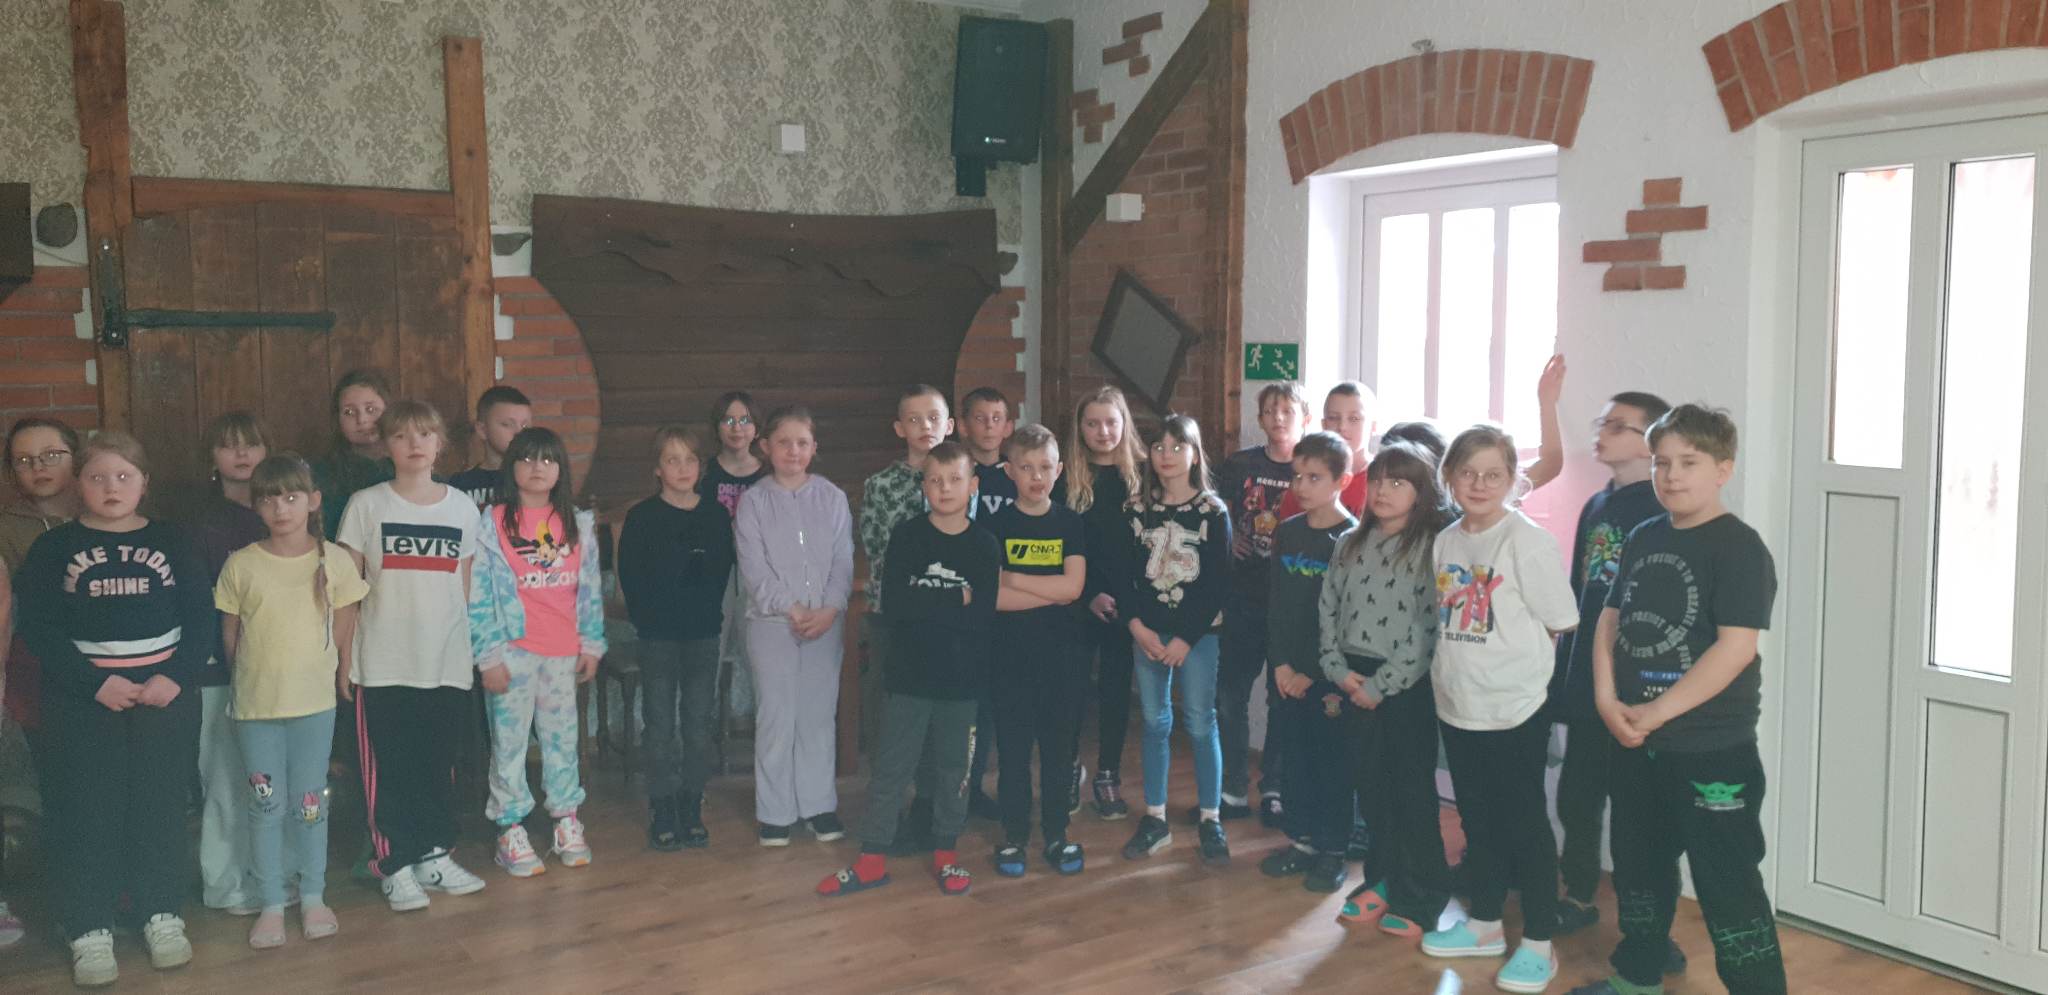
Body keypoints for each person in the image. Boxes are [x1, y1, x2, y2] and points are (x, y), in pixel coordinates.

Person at [1567, 405, 1786, 995]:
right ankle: (1639, 977)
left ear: (1723, 469)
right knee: (1639, 868)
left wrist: (1657, 712)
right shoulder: (1644, 536)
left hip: (1712, 751)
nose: (1672, 476)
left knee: (1727, 882)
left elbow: (1735, 649)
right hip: (1635, 741)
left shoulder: (1740, 548)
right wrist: (1607, 699)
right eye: (1662, 463)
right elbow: (1609, 619)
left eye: (1688, 463)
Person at [18, 431, 210, 987]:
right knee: (88, 811)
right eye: (98, 477)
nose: (111, 487)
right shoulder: (54, 548)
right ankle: (89, 926)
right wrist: (93, 684)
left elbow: (201, 617)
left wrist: (175, 677)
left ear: (144, 483)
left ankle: (162, 913)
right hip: (85, 705)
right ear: (78, 484)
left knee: (159, 807)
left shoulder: (172, 540)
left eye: (124, 476)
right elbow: (40, 629)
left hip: (163, 701)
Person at [1420, 425, 1579, 993]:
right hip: (1458, 705)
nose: (1480, 484)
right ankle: (1485, 923)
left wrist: (1515, 671)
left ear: (1513, 479)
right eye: (1467, 473)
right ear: (1449, 478)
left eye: (1493, 474)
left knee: (1525, 824)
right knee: (1477, 819)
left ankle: (1539, 941)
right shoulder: (1446, 540)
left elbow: (1562, 621)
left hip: (1516, 710)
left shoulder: (1527, 541)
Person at [815, 442, 998, 898]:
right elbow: (896, 605)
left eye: (955, 480)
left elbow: (982, 615)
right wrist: (956, 597)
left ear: (973, 485)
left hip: (962, 682)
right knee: (892, 768)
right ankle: (871, 859)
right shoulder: (908, 537)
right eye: (935, 480)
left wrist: (929, 603)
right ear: (924, 487)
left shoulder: (984, 544)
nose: (945, 488)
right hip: (908, 676)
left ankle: (946, 853)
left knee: (953, 769)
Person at [334, 400, 488, 912]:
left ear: (440, 443)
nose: (415, 444)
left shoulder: (462, 508)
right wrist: (343, 659)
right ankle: (393, 864)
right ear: (387, 445)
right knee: (390, 771)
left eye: (425, 434)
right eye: (402, 436)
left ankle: (433, 855)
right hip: (383, 663)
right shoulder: (366, 505)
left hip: (443, 663)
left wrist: (469, 654)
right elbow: (347, 591)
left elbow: (464, 588)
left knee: (437, 765)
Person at [216, 453, 369, 948]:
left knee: (309, 805)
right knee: (266, 807)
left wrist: (342, 675)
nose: (280, 508)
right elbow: (232, 636)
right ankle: (271, 902)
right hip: (257, 710)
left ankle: (313, 896)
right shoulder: (241, 564)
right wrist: (249, 684)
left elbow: (345, 623)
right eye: (268, 499)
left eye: (290, 497)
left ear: (312, 501)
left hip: (314, 708)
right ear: (255, 506)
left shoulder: (335, 560)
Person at [1318, 442, 1455, 937]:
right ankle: (1382, 879)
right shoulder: (1349, 542)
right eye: (1377, 480)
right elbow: (1328, 605)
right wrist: (1335, 666)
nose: (1382, 491)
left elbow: (1428, 627)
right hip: (1352, 674)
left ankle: (1422, 894)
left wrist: (1383, 685)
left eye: (1398, 482)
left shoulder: (1433, 546)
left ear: (1421, 492)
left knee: (1411, 791)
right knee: (1372, 788)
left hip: (1404, 683)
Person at [1550, 392, 1673, 936]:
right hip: (1586, 680)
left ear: (1651, 442)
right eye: (1603, 422)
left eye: (1618, 426)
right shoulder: (1596, 505)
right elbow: (1580, 594)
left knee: (1637, 809)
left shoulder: (1661, 510)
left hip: (1637, 686)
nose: (1602, 433)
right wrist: (1565, 672)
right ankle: (1578, 894)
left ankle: (1648, 926)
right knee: (1578, 797)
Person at [469, 427, 606, 877]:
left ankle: (566, 817)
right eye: (527, 459)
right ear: (511, 467)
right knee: (508, 744)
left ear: (560, 469)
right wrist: (488, 656)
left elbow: (590, 589)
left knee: (562, 740)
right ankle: (509, 827)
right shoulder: (492, 523)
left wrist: (591, 643)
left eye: (548, 460)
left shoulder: (578, 523)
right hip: (513, 653)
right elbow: (479, 594)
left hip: (562, 652)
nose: (537, 468)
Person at [1119, 414, 1234, 866]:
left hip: (1197, 635)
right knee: (1154, 721)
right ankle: (1155, 816)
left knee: (1201, 721)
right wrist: (1136, 625)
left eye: (1177, 447)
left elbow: (1217, 583)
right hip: (1148, 631)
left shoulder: (1212, 511)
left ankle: (1210, 817)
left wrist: (1186, 637)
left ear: (1195, 454)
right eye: (1158, 447)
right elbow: (1124, 575)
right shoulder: (1135, 509)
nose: (1166, 456)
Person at [736, 406, 854, 846]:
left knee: (817, 716)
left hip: (825, 623)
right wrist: (792, 608)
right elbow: (754, 567)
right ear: (766, 447)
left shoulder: (832, 497)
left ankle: (819, 806)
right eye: (784, 442)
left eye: (802, 443)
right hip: (772, 625)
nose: (793, 451)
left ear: (814, 448)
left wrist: (830, 607)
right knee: (776, 717)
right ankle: (775, 812)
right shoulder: (754, 502)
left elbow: (843, 559)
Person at [620, 425, 735, 851]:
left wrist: (702, 611)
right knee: (660, 725)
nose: (682, 468)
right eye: (672, 460)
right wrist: (649, 619)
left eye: (689, 460)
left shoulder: (715, 515)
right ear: (657, 469)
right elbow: (631, 577)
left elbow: (719, 571)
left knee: (698, 724)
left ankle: (691, 803)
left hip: (702, 633)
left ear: (700, 467)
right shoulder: (642, 517)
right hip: (658, 636)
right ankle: (662, 806)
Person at [1252, 430, 1356, 894]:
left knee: (1331, 761)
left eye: (1315, 477)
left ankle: (1333, 850)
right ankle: (1302, 841)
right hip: (1286, 673)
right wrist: (1280, 665)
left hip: (1327, 677)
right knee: (1294, 758)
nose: (1302, 486)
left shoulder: (1351, 540)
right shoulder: (1289, 531)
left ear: (1341, 481)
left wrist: (1311, 673)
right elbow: (1277, 604)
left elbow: (1346, 620)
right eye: (1297, 476)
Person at [986, 425, 1088, 877]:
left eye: (1045, 467)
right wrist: (1050, 591)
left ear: (1059, 470)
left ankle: (1057, 833)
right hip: (1009, 658)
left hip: (1063, 659)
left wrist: (1015, 579)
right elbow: (993, 597)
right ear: (1009, 471)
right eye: (1026, 468)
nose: (1037, 477)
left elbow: (1074, 588)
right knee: (1012, 753)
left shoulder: (1070, 524)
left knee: (1058, 752)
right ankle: (1014, 836)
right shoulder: (994, 526)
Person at [857, 385, 956, 846]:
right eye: (914, 420)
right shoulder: (880, 486)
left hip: (945, 620)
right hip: (893, 616)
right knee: (890, 714)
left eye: (933, 418)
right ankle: (888, 807)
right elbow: (877, 548)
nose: (925, 427)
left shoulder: (961, 479)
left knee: (939, 711)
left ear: (948, 425)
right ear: (900, 429)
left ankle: (930, 805)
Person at [188, 412, 274, 917]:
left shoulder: (282, 513)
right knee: (223, 781)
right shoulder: (201, 523)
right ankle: (224, 883)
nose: (242, 454)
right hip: (219, 673)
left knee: (272, 783)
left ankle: (273, 876)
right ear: (212, 458)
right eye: (229, 446)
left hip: (281, 671)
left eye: (252, 444)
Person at [1215, 381, 1313, 826]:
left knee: (1283, 696)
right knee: (1230, 694)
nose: (1277, 419)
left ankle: (1274, 785)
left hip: (1288, 600)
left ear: (1304, 419)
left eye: (1287, 411)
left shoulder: (1310, 468)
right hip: (1244, 596)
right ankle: (1232, 785)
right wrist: (1228, 539)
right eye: (1270, 411)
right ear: (1259, 418)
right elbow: (1216, 510)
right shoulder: (1241, 464)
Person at [1058, 385, 1146, 819]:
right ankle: (1069, 767)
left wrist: (1125, 600)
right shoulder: (1066, 478)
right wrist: (1089, 592)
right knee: (1071, 690)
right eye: (1092, 423)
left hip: (1125, 603)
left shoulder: (1143, 476)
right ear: (1080, 428)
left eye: (1111, 422)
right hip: (1077, 599)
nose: (1103, 431)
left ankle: (1108, 773)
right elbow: (1060, 542)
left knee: (1115, 692)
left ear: (1124, 424)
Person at [958, 385, 1016, 817]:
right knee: (968, 703)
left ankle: (984, 786)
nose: (989, 426)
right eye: (980, 418)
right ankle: (960, 787)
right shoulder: (955, 473)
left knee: (998, 702)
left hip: (1012, 600)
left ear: (1009, 426)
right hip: (964, 601)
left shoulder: (1016, 474)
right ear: (963, 426)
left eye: (997, 418)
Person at [703, 391, 769, 742]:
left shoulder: (769, 473)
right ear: (717, 426)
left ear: (757, 428)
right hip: (714, 574)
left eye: (745, 420)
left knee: (761, 658)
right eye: (728, 419)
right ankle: (700, 739)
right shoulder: (704, 472)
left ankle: (769, 740)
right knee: (708, 656)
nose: (737, 427)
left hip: (757, 575)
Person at [311, 369, 395, 539]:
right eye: (349, 412)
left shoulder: (409, 467)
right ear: (337, 419)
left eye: (371, 409)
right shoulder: (321, 474)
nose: (362, 420)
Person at [445, 386, 533, 508]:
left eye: (525, 426)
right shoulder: (459, 484)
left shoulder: (537, 479)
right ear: (482, 430)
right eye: (507, 424)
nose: (519, 432)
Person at [1321, 382, 1377, 517]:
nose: (1342, 427)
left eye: (1354, 418)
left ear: (1373, 427)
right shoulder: (1307, 477)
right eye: (1333, 418)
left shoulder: (1383, 479)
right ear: (1323, 425)